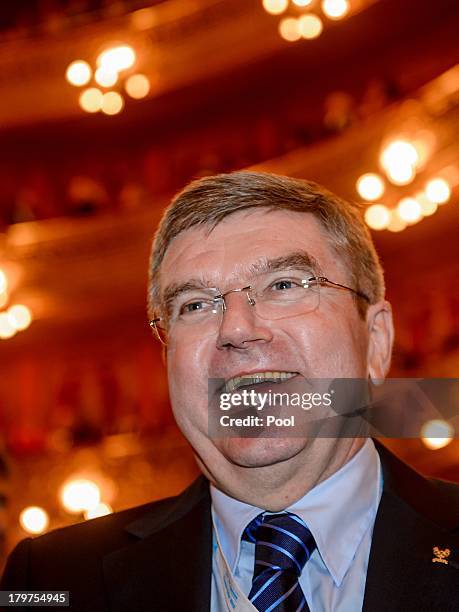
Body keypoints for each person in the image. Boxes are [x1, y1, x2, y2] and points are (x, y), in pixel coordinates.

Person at [1, 171, 458, 611]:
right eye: (195, 305)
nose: (237, 329)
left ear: (376, 341)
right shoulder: (50, 582)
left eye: (283, 285)